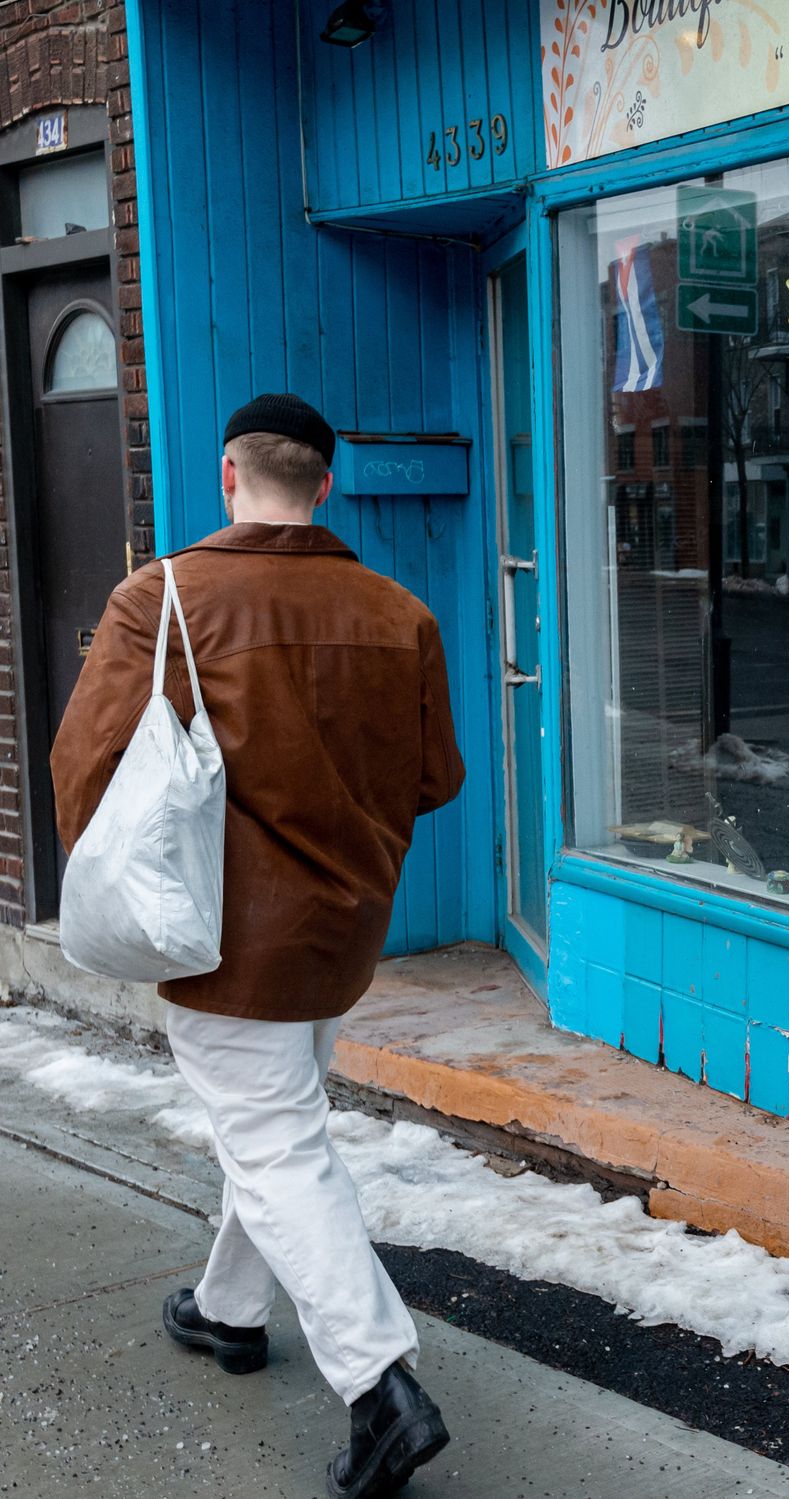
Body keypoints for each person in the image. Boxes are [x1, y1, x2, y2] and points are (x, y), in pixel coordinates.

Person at [51, 393, 465, 1499]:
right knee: (275, 1119)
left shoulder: (163, 598)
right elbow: (435, 778)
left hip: (225, 939)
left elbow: (84, 767)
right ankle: (229, 1309)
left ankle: (380, 1385)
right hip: (342, 931)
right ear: (325, 485)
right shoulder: (400, 612)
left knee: (277, 1143)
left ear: (228, 475)